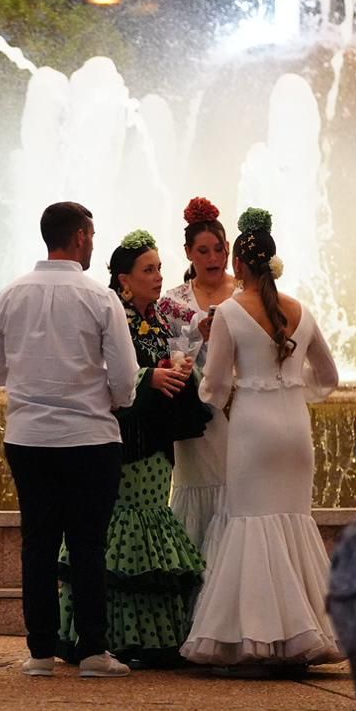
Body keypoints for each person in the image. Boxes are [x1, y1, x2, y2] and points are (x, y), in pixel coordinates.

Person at [0, 201, 139, 680]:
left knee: (38, 544)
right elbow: (126, 378)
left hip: (27, 438)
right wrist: (110, 398)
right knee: (88, 545)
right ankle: (92, 651)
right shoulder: (99, 298)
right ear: (82, 237)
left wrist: (31, 379)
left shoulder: (10, 295)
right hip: (90, 438)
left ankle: (40, 653)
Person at [180, 208, 344, 672]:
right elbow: (328, 378)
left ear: (241, 265)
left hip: (252, 431)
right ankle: (308, 632)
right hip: (295, 430)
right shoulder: (302, 310)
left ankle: (260, 637)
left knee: (252, 523)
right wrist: (292, 388)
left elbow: (214, 387)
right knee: (294, 521)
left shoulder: (229, 312)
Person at [56, 229, 209, 667]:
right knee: (123, 527)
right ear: (124, 279)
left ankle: (150, 637)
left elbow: (189, 334)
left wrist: (176, 366)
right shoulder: (110, 314)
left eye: (160, 268)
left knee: (150, 522)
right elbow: (95, 370)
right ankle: (107, 636)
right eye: (149, 270)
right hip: (121, 438)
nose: (159, 277)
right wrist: (149, 377)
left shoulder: (160, 315)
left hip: (158, 438)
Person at [157, 196, 238, 550]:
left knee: (236, 491)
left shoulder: (247, 295)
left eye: (218, 250)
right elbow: (163, 352)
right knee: (194, 492)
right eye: (202, 251)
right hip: (192, 415)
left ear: (228, 250)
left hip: (239, 410)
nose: (212, 259)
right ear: (188, 252)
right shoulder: (172, 301)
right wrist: (192, 340)